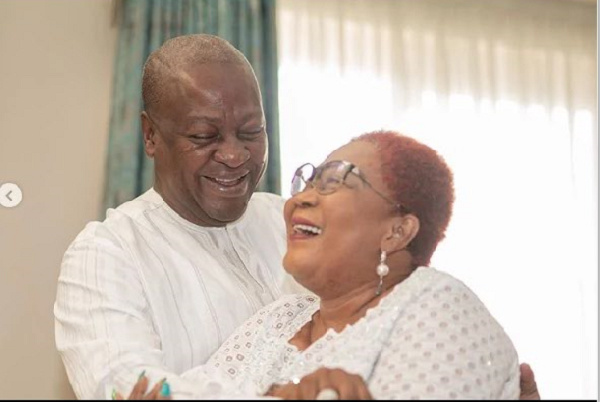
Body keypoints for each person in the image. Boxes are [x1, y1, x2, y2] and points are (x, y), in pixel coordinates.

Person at [54, 34, 540, 400]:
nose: (235, 156)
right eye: (205, 136)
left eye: (251, 132)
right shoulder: (110, 253)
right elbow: (129, 387)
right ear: (151, 136)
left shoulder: (296, 230)